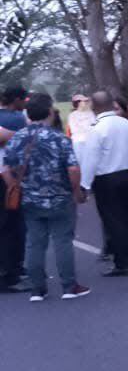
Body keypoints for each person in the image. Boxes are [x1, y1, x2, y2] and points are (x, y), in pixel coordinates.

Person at [1, 93, 89, 301]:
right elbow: (73, 169)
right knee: (62, 241)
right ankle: (69, 286)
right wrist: (76, 191)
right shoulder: (59, 138)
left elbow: (5, 169)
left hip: (30, 199)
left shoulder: (18, 138)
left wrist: (15, 187)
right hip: (60, 197)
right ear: (50, 112)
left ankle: (37, 289)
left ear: (28, 114)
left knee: (34, 243)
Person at [80, 91, 128, 277]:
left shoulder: (97, 128)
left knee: (113, 221)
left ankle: (122, 263)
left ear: (94, 106)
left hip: (107, 179)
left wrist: (85, 185)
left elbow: (90, 158)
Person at [0, 84, 30, 292]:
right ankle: (8, 275)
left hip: (7, 175)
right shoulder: (17, 119)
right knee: (9, 226)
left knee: (10, 225)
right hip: (7, 177)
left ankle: (13, 269)